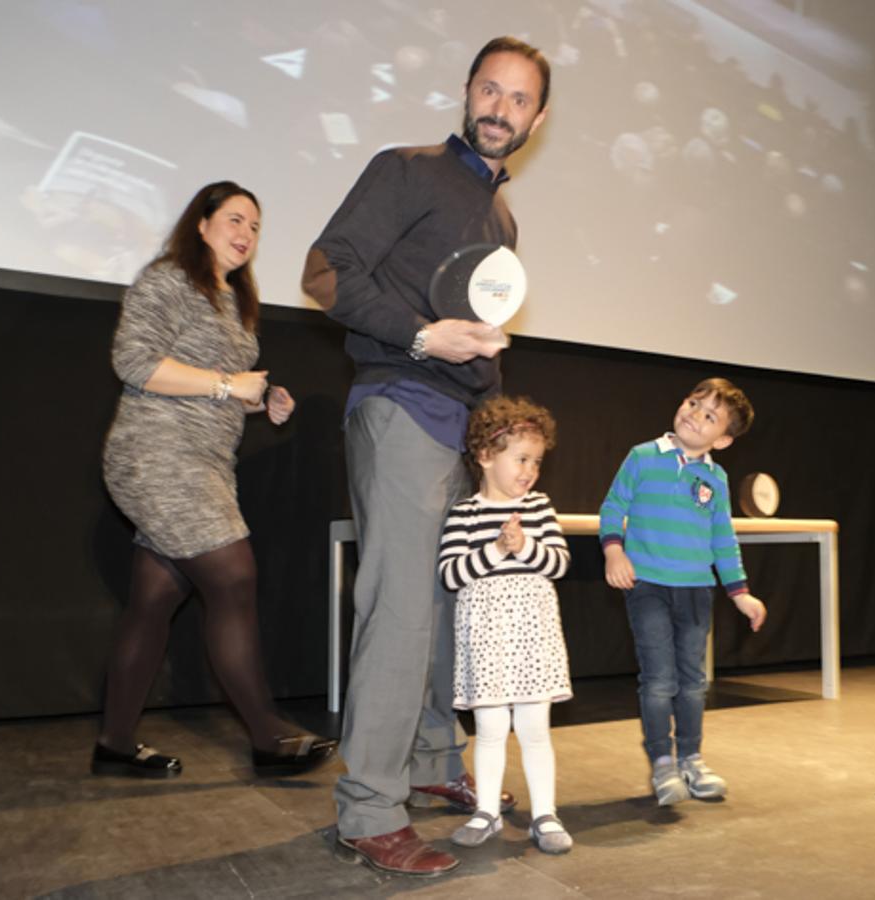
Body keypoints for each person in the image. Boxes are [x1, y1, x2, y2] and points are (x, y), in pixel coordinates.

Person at [300, 37, 551, 876]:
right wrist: (419, 335)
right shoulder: (406, 169)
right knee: (402, 610)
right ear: (467, 92)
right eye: (490, 89)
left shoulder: (502, 218)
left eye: (518, 99)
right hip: (400, 405)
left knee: (449, 604)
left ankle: (431, 762)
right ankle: (370, 810)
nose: (499, 109)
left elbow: (475, 335)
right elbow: (324, 273)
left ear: (537, 117)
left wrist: (496, 437)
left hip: (460, 427)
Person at [95, 181, 336, 780]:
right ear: (200, 224)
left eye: (255, 226)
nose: (246, 234)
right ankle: (268, 736)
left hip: (203, 460)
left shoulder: (231, 301)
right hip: (157, 456)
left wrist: (259, 400)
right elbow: (134, 362)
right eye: (234, 219)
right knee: (234, 577)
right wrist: (230, 385)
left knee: (154, 601)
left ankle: (115, 745)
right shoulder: (168, 280)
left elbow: (210, 384)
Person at [599, 377, 768, 805]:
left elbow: (723, 539)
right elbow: (613, 506)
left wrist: (740, 593)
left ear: (723, 439)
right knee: (659, 680)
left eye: (710, 416)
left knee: (692, 682)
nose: (695, 415)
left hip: (695, 591)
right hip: (648, 587)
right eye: (693, 403)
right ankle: (663, 763)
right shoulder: (643, 456)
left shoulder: (717, 478)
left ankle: (691, 758)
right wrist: (614, 552)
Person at [438, 397, 574, 854]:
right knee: (491, 727)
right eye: (521, 459)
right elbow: (451, 574)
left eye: (536, 462)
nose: (530, 470)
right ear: (485, 456)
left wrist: (524, 546)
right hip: (486, 639)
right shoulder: (466, 513)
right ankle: (486, 812)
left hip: (532, 635)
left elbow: (558, 564)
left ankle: (545, 814)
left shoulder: (539, 507)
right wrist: (497, 549)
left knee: (534, 728)